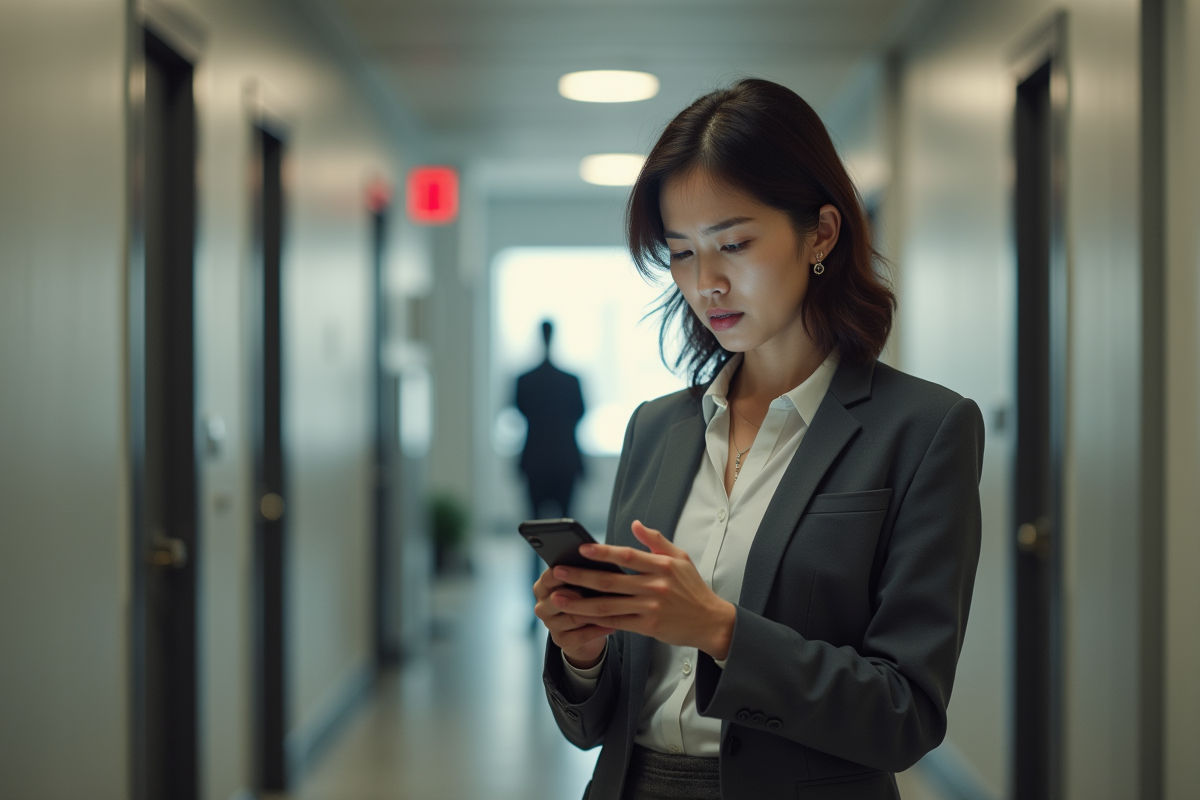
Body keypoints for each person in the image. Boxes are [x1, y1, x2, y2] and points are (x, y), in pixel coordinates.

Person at [533, 79, 984, 800]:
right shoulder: (657, 427)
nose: (706, 282)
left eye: (734, 244)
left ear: (822, 234)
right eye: (681, 253)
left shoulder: (923, 430)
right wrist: (582, 654)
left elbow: (906, 714)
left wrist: (720, 630)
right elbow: (598, 725)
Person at [515, 321, 587, 606]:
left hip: (534, 461)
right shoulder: (570, 380)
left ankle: (536, 600)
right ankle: (568, 598)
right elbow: (580, 412)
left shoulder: (525, 379)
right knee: (568, 539)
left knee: (534, 536)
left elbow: (518, 410)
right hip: (565, 461)